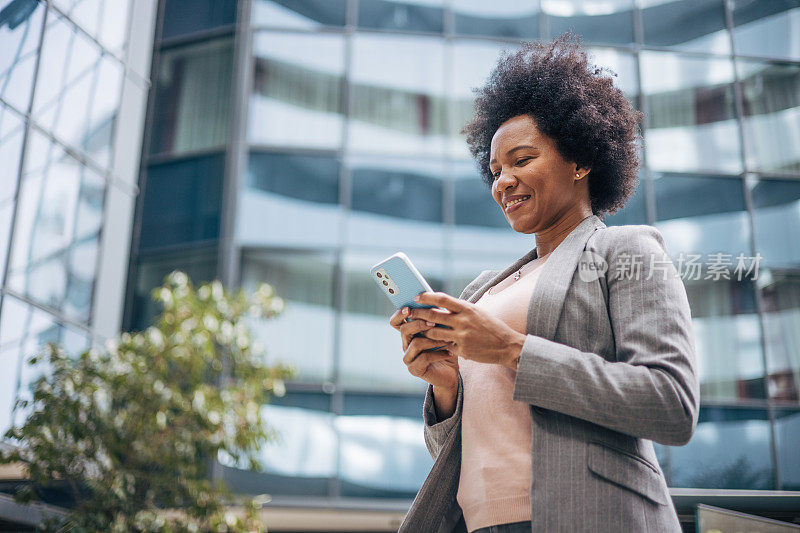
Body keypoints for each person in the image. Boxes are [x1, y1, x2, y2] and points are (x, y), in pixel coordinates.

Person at [392, 33, 699, 533]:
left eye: (521, 160)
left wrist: (512, 349)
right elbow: (465, 445)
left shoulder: (627, 250)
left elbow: (671, 403)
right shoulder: (484, 290)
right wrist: (446, 388)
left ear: (580, 161)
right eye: (494, 170)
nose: (502, 182)